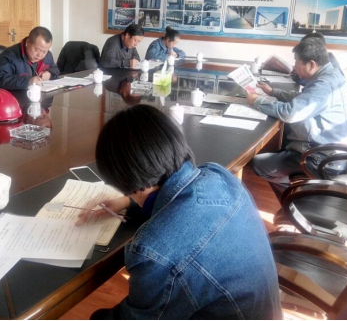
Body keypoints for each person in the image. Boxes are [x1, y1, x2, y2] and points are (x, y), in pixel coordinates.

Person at [76, 105, 281, 320]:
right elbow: (175, 199)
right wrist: (128, 201)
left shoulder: (154, 251)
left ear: (121, 180)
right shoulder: (218, 174)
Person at [246, 35, 347, 200]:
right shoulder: (330, 75)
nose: (294, 67)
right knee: (281, 139)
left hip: (322, 158)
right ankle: (300, 190)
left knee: (258, 164)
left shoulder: (324, 85)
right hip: (334, 151)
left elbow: (290, 113)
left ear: (311, 64)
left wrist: (257, 101)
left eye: (297, 63)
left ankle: (296, 197)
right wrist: (273, 92)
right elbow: (303, 99)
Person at [0, 26, 59, 90]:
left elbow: (55, 69)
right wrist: (28, 81)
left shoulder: (47, 55)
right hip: (16, 98)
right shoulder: (10, 56)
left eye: (44, 52)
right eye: (37, 50)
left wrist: (50, 74)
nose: (40, 55)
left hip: (39, 96)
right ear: (27, 42)